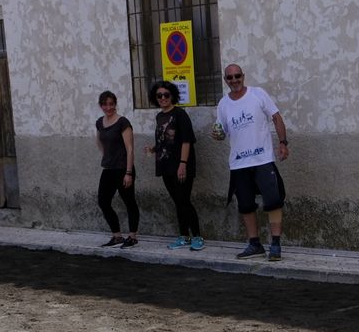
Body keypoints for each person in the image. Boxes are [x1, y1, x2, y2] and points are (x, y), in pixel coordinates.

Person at [212, 63, 289, 261]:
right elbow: (222, 132)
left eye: (237, 76)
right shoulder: (223, 104)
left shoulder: (258, 94)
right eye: (230, 77)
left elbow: (276, 118)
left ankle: (275, 245)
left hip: (262, 159)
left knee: (273, 202)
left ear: (243, 76)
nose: (234, 80)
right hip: (239, 163)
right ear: (225, 80)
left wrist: (283, 142)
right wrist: (217, 135)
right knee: (246, 205)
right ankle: (255, 244)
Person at [145, 80, 202, 250]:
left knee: (184, 200)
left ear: (172, 96)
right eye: (159, 95)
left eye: (166, 95)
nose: (163, 98)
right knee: (177, 202)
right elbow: (165, 140)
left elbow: (186, 141)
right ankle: (184, 236)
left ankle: (197, 237)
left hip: (181, 166)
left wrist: (183, 164)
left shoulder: (180, 114)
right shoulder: (159, 116)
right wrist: (153, 148)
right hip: (165, 166)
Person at [94, 91, 139, 247]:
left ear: (115, 104)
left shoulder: (123, 122)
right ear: (101, 106)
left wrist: (128, 173)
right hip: (108, 168)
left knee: (129, 202)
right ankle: (117, 235)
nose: (109, 107)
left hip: (123, 169)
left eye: (111, 104)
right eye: (105, 104)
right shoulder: (100, 122)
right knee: (103, 201)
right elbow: (99, 141)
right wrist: (107, 155)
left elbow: (130, 149)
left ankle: (132, 236)